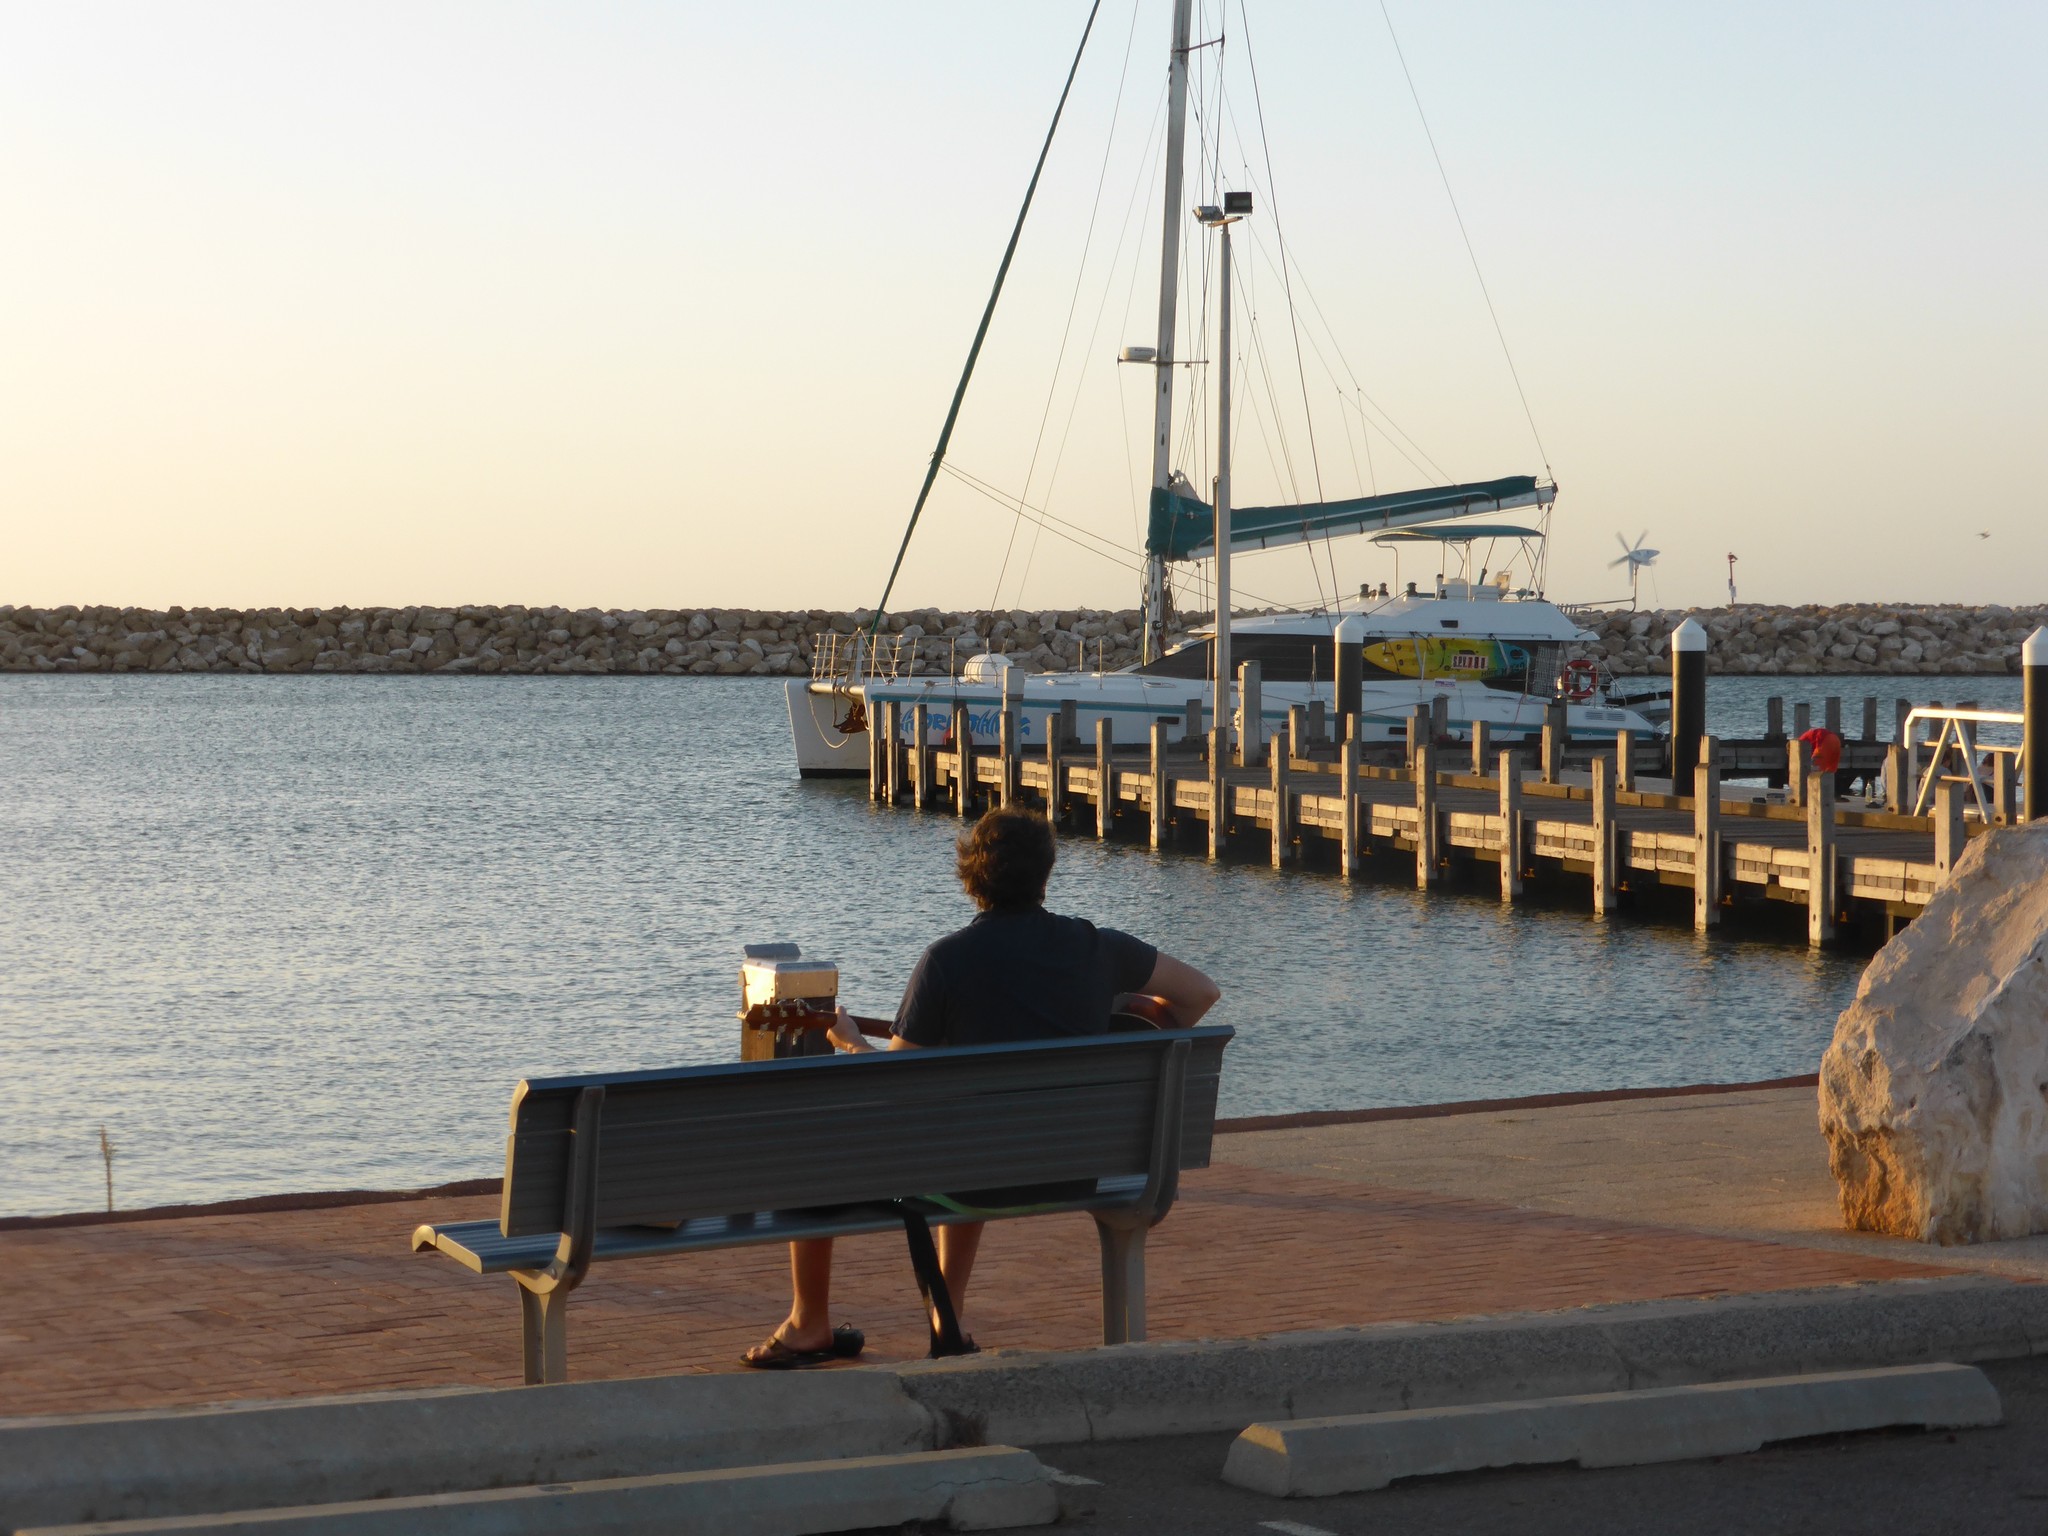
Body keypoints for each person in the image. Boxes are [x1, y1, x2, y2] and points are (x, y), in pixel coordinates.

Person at [739, 804, 1220, 1369]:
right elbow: (1201, 994)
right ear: (1045, 872)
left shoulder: (947, 961)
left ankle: (807, 1325)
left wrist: (849, 1042)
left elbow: (897, 1085)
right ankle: (948, 1321)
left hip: (978, 1172)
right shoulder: (1100, 948)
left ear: (970, 876)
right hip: (1076, 1166)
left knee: (816, 1155)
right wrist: (1128, 1018)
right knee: (978, 1138)